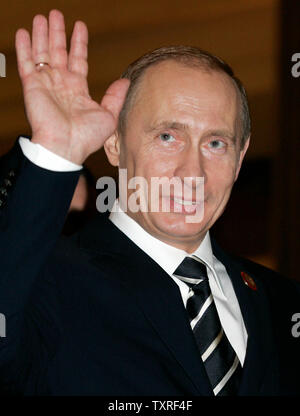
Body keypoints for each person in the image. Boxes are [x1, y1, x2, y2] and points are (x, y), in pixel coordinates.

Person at [0, 9, 299, 396]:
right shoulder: (45, 281)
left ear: (240, 159)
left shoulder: (284, 302)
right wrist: (56, 152)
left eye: (215, 143)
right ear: (114, 143)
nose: (193, 171)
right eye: (167, 137)